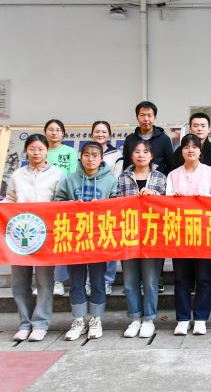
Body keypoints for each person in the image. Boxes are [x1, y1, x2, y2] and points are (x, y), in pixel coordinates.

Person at [0, 134, 64, 342]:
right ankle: (25, 323)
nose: (36, 153)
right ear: (26, 151)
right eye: (32, 149)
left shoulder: (57, 174)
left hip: (45, 234)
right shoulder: (18, 175)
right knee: (20, 282)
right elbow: (10, 199)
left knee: (45, 281)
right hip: (20, 234)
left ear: (47, 151)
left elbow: (61, 201)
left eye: (40, 149)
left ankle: (40, 323)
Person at [55, 142, 118, 341]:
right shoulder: (70, 180)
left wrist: (103, 207)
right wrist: (71, 205)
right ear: (80, 157)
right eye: (87, 155)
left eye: (95, 155)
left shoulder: (110, 180)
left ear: (101, 158)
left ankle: (96, 319)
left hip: (99, 238)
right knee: (76, 282)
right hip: (75, 238)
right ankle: (78, 320)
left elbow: (118, 206)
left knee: (98, 281)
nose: (91, 159)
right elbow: (57, 203)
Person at [166, 134, 211, 336]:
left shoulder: (210, 173)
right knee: (181, 279)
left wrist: (203, 199)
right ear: (181, 151)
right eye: (186, 147)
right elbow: (165, 203)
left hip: (205, 234)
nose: (190, 150)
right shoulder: (173, 175)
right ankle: (183, 319)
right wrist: (174, 199)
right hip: (180, 234)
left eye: (194, 147)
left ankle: (200, 318)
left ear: (200, 151)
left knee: (204, 278)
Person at [118, 139, 167, 339]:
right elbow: (115, 202)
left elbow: (168, 204)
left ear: (151, 155)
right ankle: (135, 318)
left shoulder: (160, 177)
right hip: (129, 234)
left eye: (145, 152)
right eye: (137, 152)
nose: (141, 155)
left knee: (150, 280)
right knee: (130, 281)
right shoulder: (123, 177)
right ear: (131, 156)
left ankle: (149, 319)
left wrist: (152, 195)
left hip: (152, 236)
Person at [45, 119, 79, 297]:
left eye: (58, 130)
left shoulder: (70, 152)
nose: (54, 133)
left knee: (61, 240)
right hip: (44, 202)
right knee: (46, 242)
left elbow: (72, 175)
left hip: (64, 200)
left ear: (63, 133)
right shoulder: (41, 150)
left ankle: (58, 281)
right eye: (50, 129)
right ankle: (45, 282)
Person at [91, 120, 122, 295]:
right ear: (91, 134)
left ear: (109, 135)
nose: (100, 134)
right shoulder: (86, 152)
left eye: (104, 132)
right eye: (97, 131)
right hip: (89, 205)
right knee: (90, 243)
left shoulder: (116, 154)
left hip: (109, 203)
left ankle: (107, 280)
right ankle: (90, 281)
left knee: (109, 242)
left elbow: (116, 178)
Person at [122, 101, 175, 176]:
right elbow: (126, 164)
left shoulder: (164, 139)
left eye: (149, 115)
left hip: (157, 181)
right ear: (137, 117)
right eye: (142, 115)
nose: (146, 119)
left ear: (155, 118)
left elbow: (171, 165)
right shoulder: (130, 139)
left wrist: (162, 179)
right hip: (133, 180)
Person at [171, 112, 211, 178]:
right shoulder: (181, 151)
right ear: (190, 129)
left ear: (209, 129)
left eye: (203, 126)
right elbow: (172, 173)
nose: (199, 129)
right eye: (195, 126)